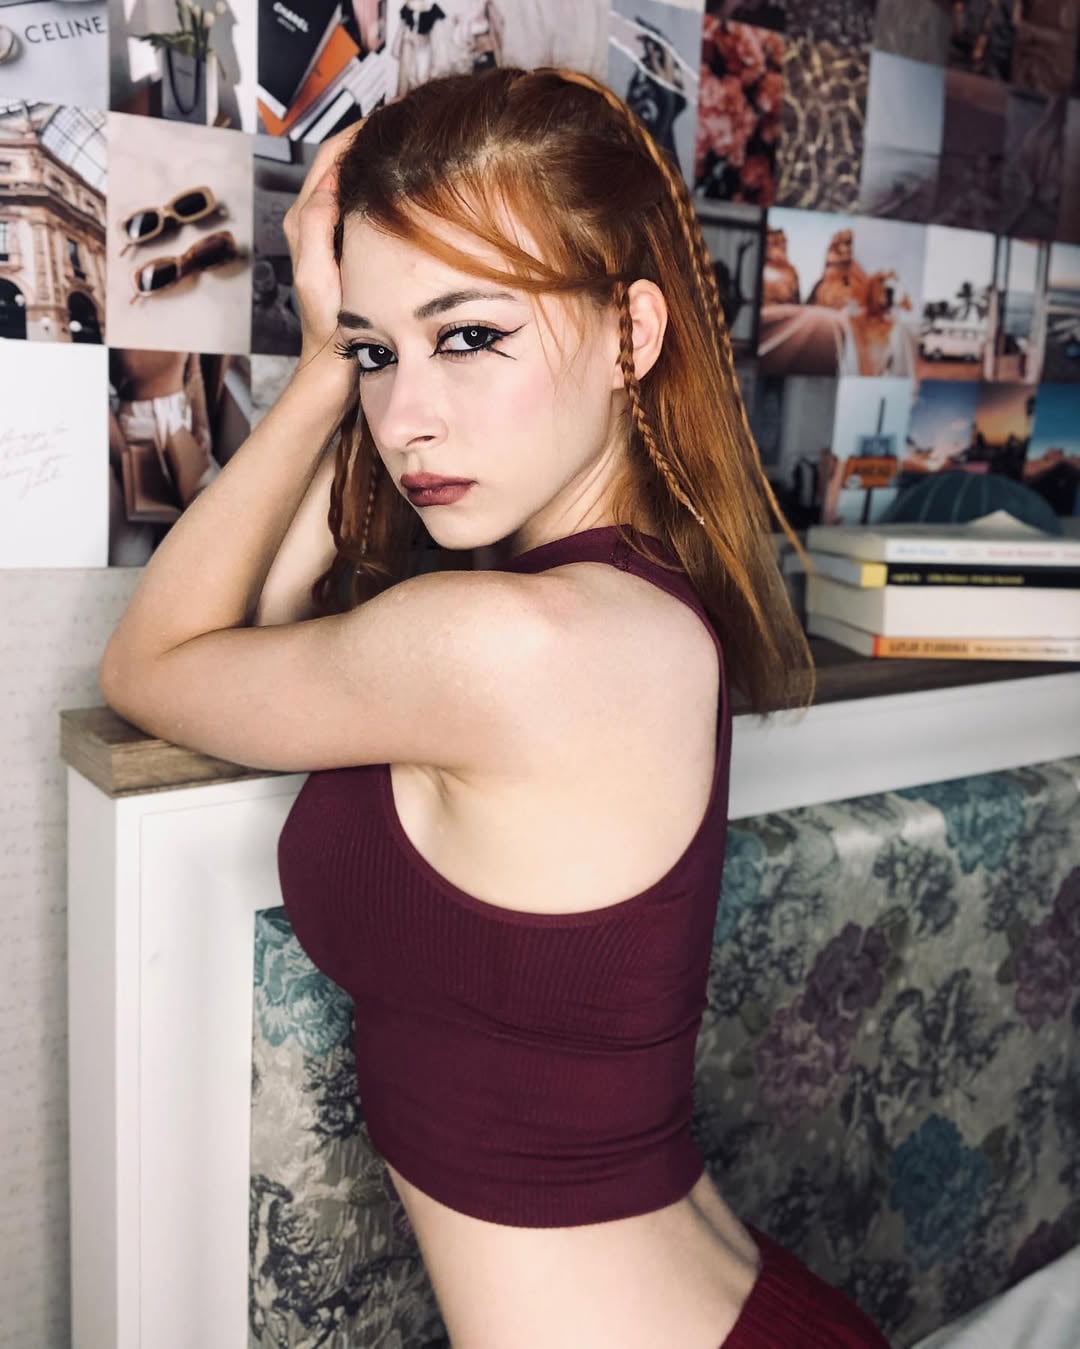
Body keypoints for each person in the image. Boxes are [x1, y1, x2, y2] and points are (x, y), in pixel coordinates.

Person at [99, 66, 891, 1348]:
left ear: (632, 335)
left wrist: (316, 369)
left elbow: (152, 663)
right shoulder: (617, 607)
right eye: (376, 352)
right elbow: (270, 631)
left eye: (469, 335)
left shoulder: (508, 645)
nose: (406, 417)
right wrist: (344, 356)